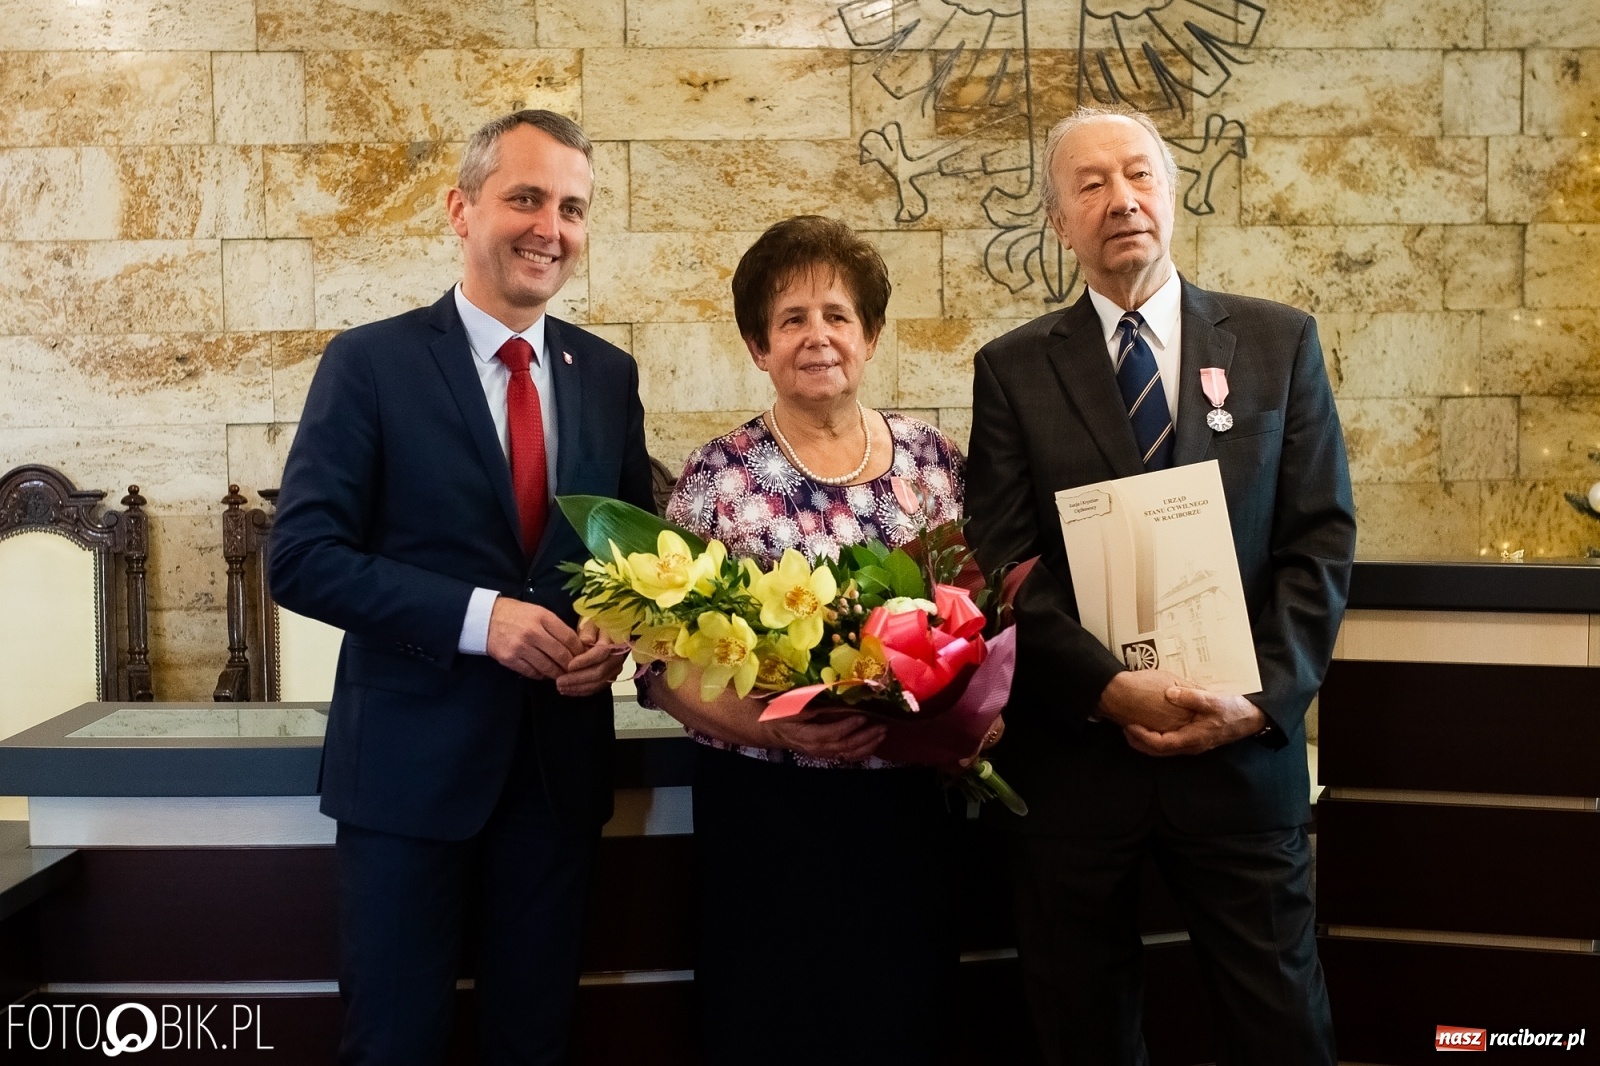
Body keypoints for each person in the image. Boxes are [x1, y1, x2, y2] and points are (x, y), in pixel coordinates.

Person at [965, 104, 1355, 1066]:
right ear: (1059, 221)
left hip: (1241, 761)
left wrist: (1258, 701)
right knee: (1083, 1032)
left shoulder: (1278, 343)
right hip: (1077, 769)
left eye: (1139, 174)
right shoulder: (1012, 370)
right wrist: (1107, 687)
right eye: (1090, 184)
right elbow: (1005, 562)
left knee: (1282, 1026)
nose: (1121, 200)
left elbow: (1318, 542)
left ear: (1172, 195)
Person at [270, 110, 654, 1065]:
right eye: (526, 198)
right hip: (406, 781)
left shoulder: (607, 376)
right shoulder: (370, 363)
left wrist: (612, 632)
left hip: (557, 779)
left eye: (572, 208)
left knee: (536, 1042)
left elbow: (634, 562)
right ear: (461, 209)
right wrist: (483, 620)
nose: (550, 228)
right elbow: (303, 556)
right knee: (394, 1043)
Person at [654, 216, 972, 1066]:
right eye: (791, 319)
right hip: (766, 811)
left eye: (837, 315)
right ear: (759, 347)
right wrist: (778, 728)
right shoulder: (718, 474)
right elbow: (662, 661)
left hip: (907, 811)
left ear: (870, 335)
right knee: (773, 1022)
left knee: (902, 1019)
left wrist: (971, 720)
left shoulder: (934, 462)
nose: (817, 336)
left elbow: (974, 618)